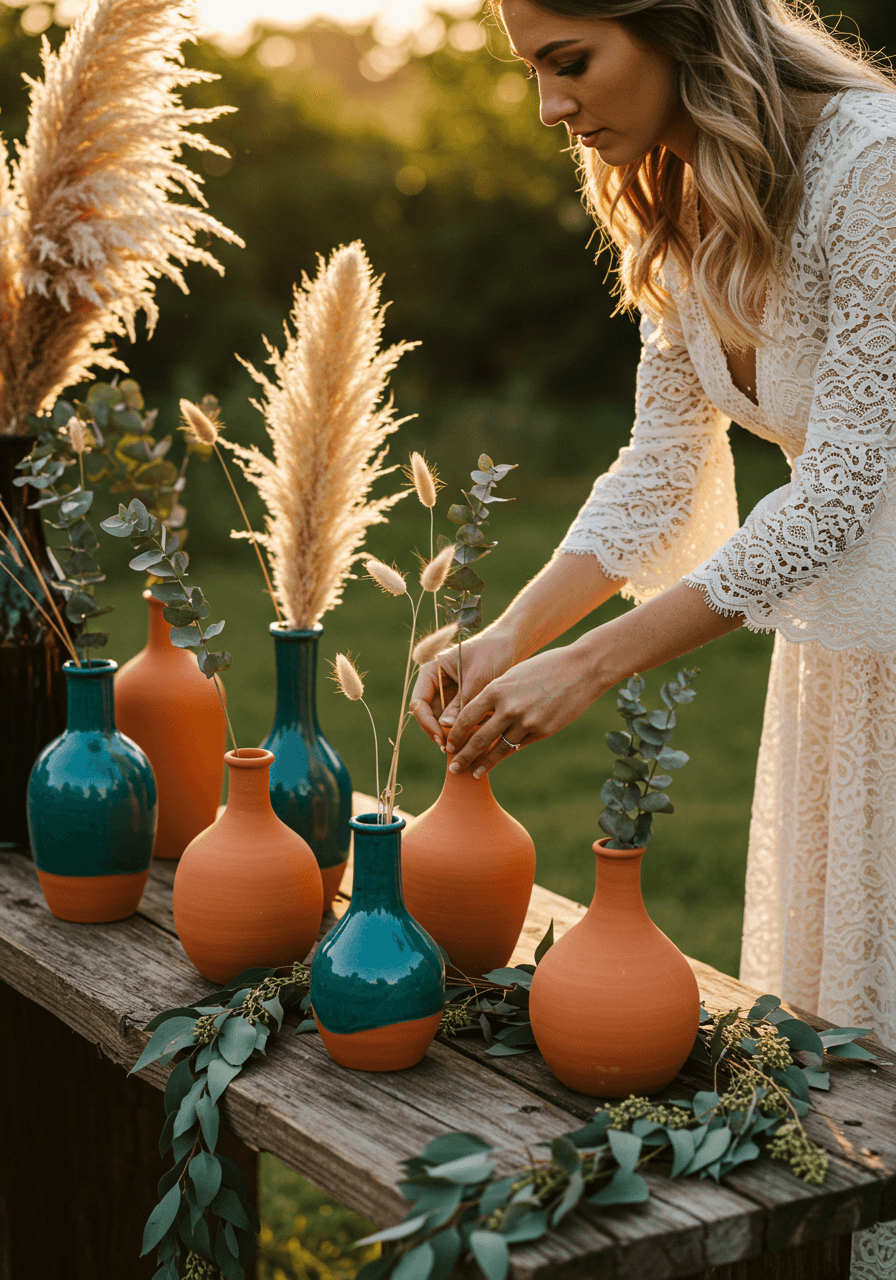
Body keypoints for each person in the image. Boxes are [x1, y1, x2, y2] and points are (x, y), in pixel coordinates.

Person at [410, 4, 896, 1273]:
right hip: (847, 658)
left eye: (568, 62)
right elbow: (661, 461)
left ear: (678, 22)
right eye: (531, 73)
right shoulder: (672, 195)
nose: (548, 108)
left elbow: (845, 481)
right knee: (847, 1026)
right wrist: (510, 634)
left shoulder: (873, 164)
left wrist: (592, 662)